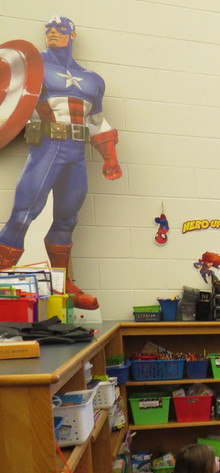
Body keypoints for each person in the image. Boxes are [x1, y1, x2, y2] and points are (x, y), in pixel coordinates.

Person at [0, 16, 122, 310]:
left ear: (73, 34)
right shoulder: (31, 68)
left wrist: (110, 157)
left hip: (77, 150)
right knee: (24, 213)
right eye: (49, 29)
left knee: (68, 218)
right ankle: (3, 282)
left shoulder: (92, 79)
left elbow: (96, 121)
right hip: (46, 146)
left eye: (60, 29)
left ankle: (61, 283)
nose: (53, 32)